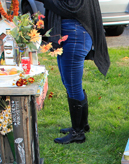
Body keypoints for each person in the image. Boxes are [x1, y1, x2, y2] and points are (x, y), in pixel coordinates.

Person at [41, 0, 110, 144]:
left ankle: (77, 133)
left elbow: (72, 7)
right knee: (69, 82)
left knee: (73, 84)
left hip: (74, 33)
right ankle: (81, 125)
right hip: (69, 32)